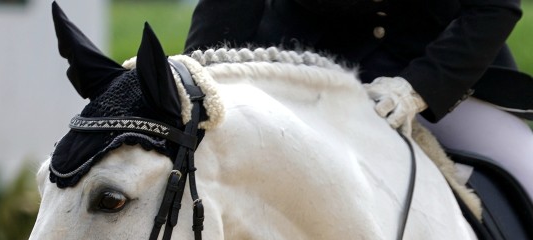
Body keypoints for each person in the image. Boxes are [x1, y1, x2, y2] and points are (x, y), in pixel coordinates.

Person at [185, 0, 533, 199]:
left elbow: (494, 7)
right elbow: (225, 10)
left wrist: (418, 89)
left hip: (447, 79)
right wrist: (199, 78)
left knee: (526, 173)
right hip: (304, 80)